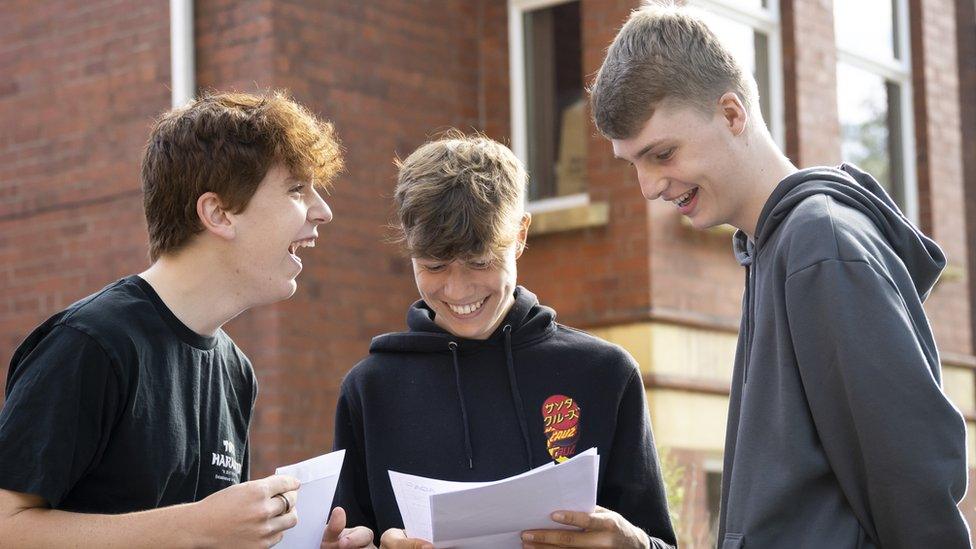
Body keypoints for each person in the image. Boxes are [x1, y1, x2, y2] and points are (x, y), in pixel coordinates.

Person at [589, 4, 971, 548]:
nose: (649, 187)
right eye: (635, 165)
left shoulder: (821, 247)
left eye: (663, 154)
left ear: (731, 113)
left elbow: (913, 495)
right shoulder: (770, 248)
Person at [0, 91, 371, 548]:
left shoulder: (236, 371)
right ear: (217, 213)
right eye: (296, 189)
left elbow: (213, 537)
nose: (323, 211)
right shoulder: (91, 343)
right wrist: (196, 527)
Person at [331, 132, 677, 549]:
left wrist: (632, 545)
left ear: (520, 236)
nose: (458, 291)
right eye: (435, 266)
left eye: (479, 263)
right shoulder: (371, 390)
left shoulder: (605, 374)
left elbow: (659, 543)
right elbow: (347, 536)